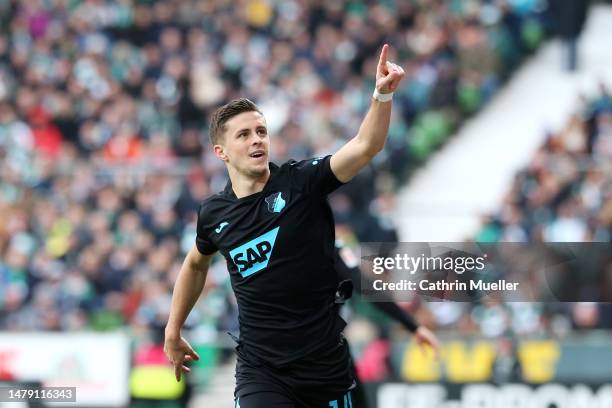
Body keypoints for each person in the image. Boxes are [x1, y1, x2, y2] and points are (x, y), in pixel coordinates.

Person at [164, 44, 405, 408]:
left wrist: (381, 95)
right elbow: (196, 263)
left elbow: (365, 146)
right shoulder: (214, 214)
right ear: (221, 152)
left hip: (325, 367)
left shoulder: (301, 182)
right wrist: (173, 328)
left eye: (261, 130)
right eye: (243, 135)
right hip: (262, 371)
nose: (256, 139)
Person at [333, 243, 439, 408]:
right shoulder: (331, 247)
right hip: (324, 351)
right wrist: (413, 326)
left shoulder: (328, 246)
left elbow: (364, 285)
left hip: (293, 350)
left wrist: (413, 326)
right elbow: (365, 285)